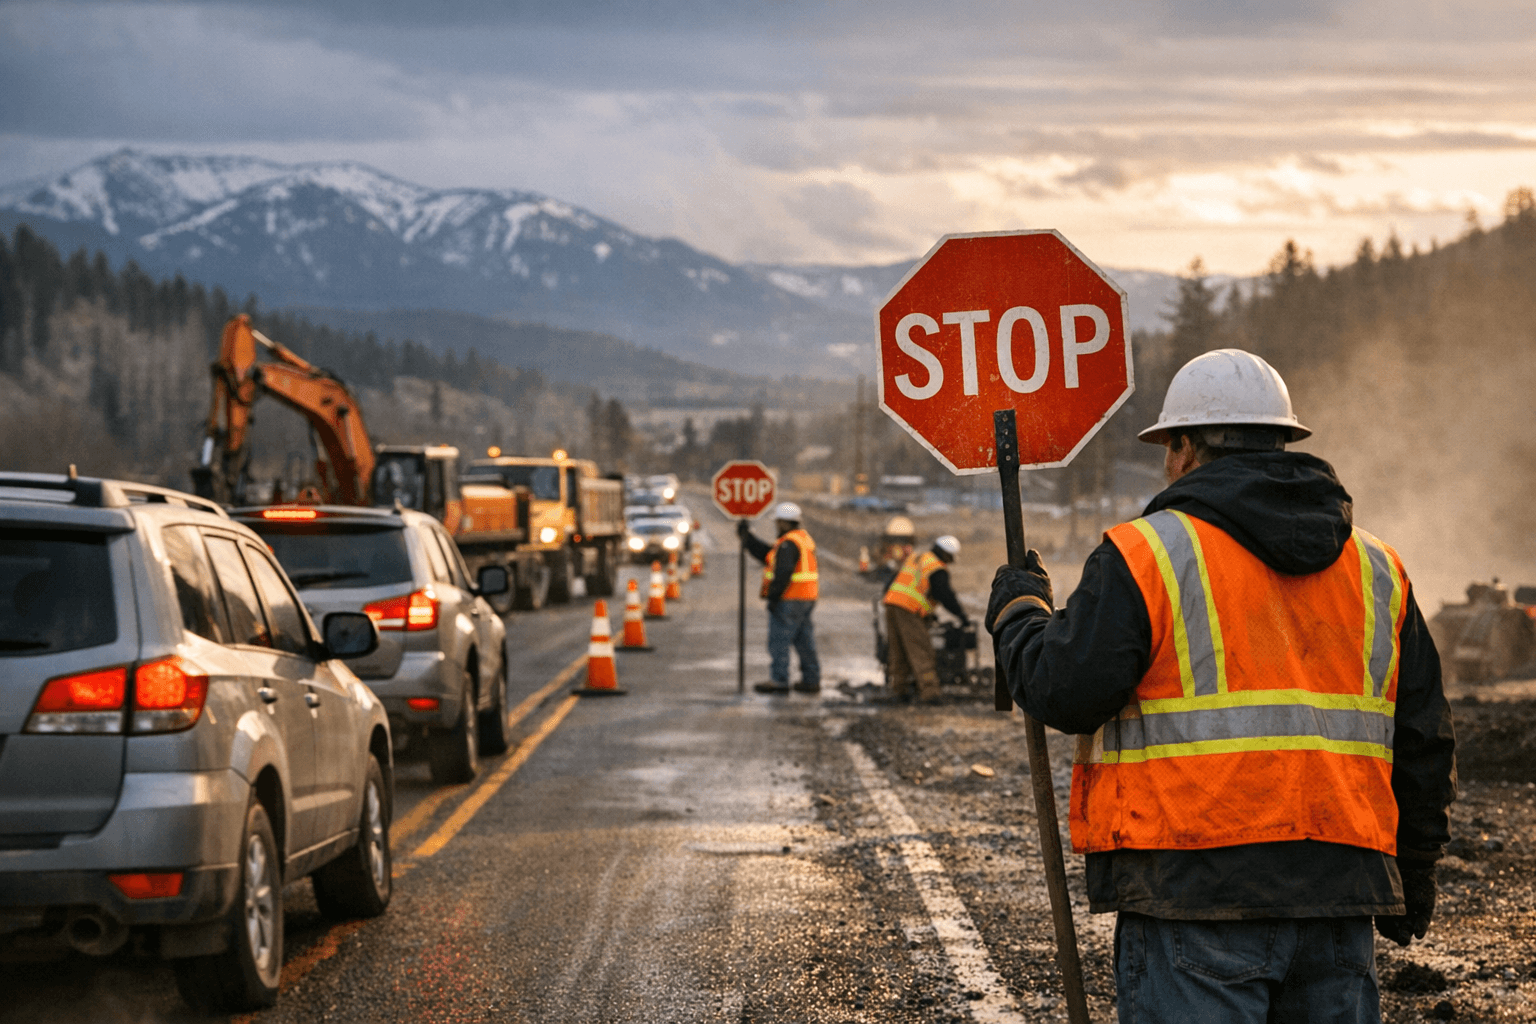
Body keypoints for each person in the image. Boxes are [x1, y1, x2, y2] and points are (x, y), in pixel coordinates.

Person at [986, 349, 1456, 1024]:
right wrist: (1416, 865)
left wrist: (1019, 615)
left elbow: (1064, 689)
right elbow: (1422, 734)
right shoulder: (1377, 567)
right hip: (1341, 896)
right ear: (1284, 441)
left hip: (1194, 890)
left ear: (1183, 447)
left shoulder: (1148, 555)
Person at [739, 502, 820, 695]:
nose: (776, 525)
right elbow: (767, 555)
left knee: (779, 641)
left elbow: (783, 572)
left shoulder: (788, 544)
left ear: (784, 522)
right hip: (806, 598)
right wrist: (748, 539)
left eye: (778, 522)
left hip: (789, 598)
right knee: (804, 641)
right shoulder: (801, 540)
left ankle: (779, 680)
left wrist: (773, 597)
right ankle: (811, 679)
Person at [882, 535, 970, 703]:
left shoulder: (917, 557)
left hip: (892, 604)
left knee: (898, 651)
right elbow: (945, 595)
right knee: (922, 651)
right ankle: (930, 693)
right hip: (908, 609)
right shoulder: (936, 568)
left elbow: (900, 583)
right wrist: (961, 616)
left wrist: (928, 612)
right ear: (946, 554)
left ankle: (899, 690)